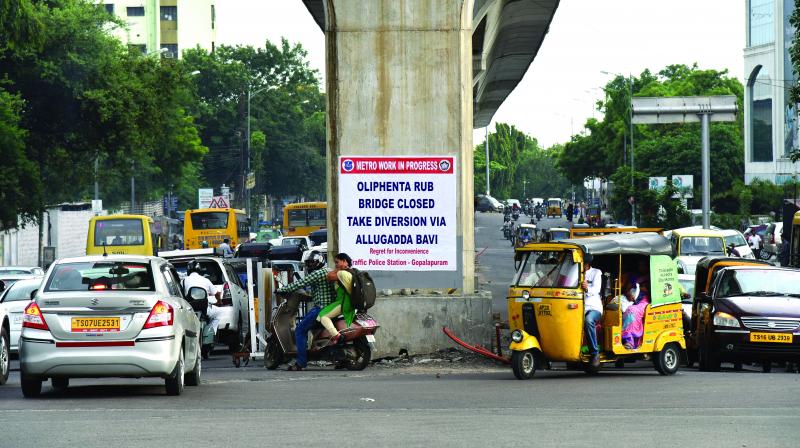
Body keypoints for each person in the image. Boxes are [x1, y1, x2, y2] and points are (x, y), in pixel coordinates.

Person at [277, 253, 338, 371]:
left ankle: (301, 362)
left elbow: (300, 283)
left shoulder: (317, 273)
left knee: (300, 329)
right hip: (332, 307)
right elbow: (317, 290)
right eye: (309, 263)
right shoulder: (329, 271)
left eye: (313, 262)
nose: (311, 265)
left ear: (320, 261)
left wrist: (281, 289)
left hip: (321, 308)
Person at [318, 254, 356, 345]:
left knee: (323, 316)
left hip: (344, 302)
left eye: (337, 262)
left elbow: (329, 277)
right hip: (351, 302)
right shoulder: (352, 272)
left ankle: (337, 336)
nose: (336, 265)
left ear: (345, 261)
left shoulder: (342, 273)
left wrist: (339, 269)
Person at [182, 260, 223, 341]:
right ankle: (212, 334)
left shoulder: (183, 281)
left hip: (190, 310)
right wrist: (219, 301)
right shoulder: (205, 280)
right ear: (199, 269)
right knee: (219, 313)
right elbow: (217, 293)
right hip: (204, 308)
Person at [582, 253, 603, 367]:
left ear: (587, 264)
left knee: (588, 320)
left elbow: (596, 289)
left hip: (593, 308)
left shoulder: (596, 272)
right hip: (578, 307)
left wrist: (587, 288)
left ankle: (595, 353)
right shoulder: (575, 273)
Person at [621, 282, 650, 349]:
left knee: (631, 310)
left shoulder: (650, 276)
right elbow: (626, 289)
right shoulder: (633, 276)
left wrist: (641, 288)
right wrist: (628, 293)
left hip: (644, 302)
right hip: (630, 300)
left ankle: (629, 341)